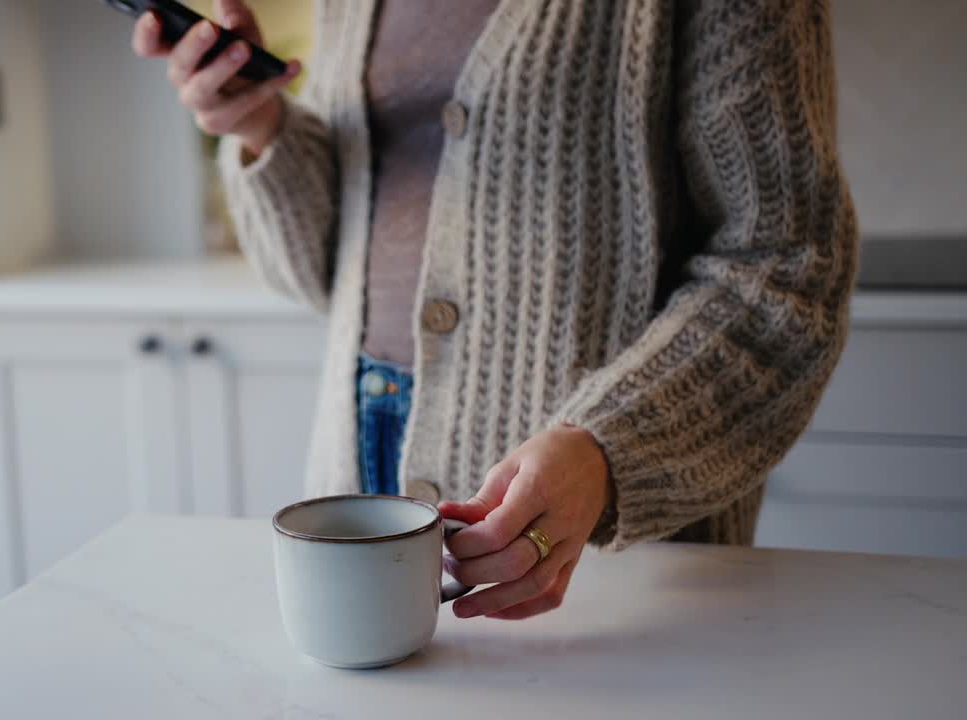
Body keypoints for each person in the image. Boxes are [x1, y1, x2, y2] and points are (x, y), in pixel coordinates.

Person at [132, 0, 857, 620]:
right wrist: (262, 128)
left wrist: (608, 450)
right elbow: (329, 273)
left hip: (590, 517)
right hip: (358, 455)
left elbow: (788, 264)